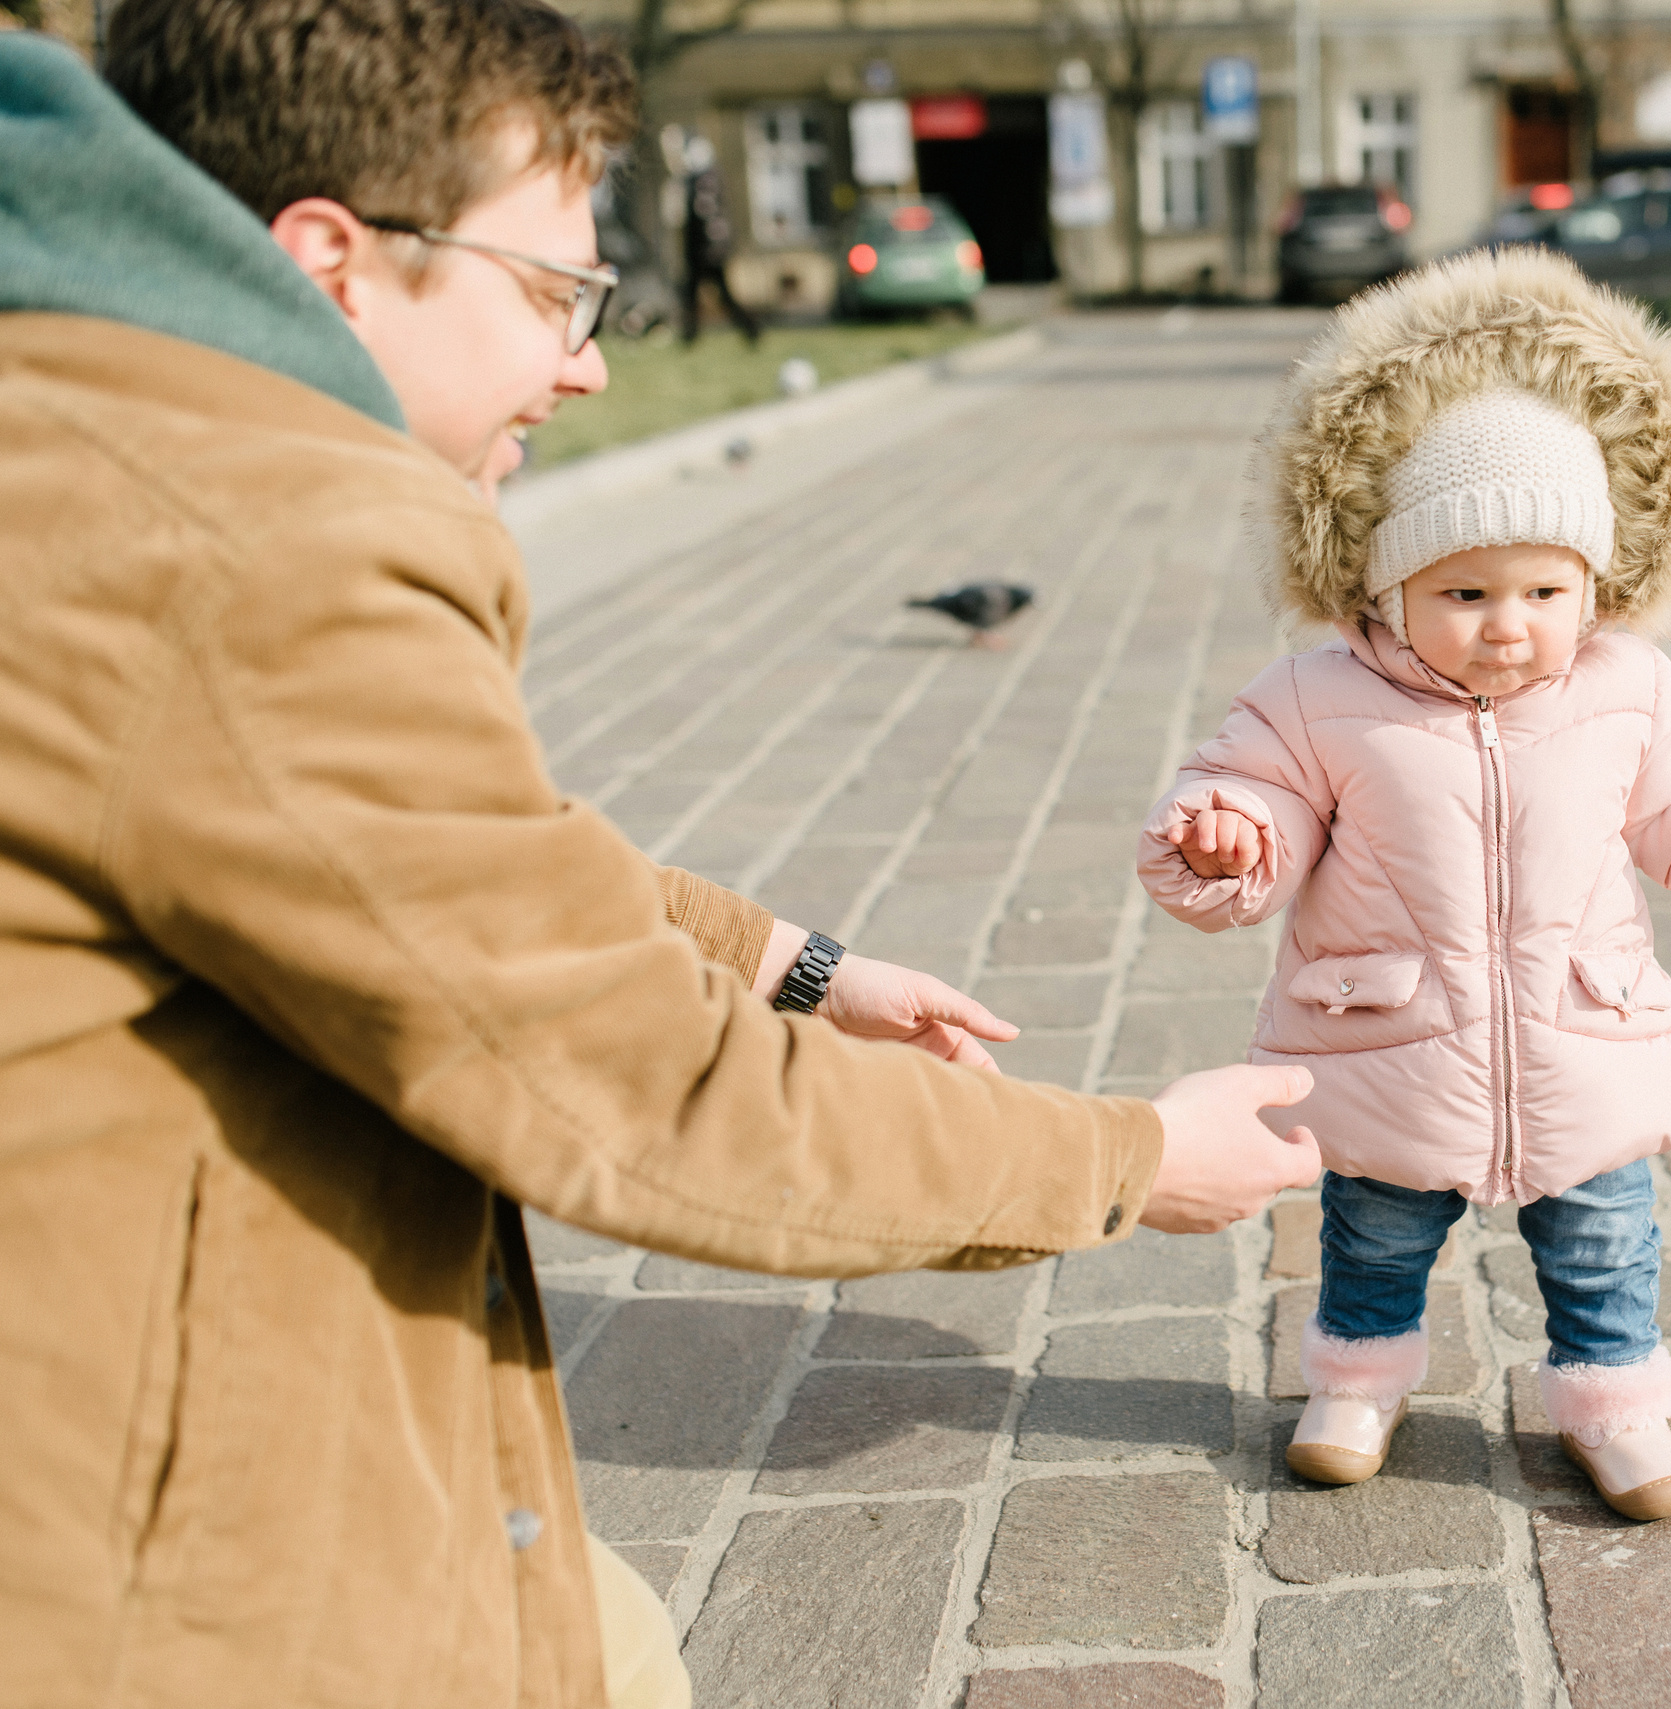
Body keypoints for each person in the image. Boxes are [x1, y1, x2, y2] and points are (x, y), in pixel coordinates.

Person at [0, 5, 1317, 1705]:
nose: (589, 361)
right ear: (333, 259)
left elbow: (449, 863)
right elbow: (644, 1086)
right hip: (131, 1558)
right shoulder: (258, 543)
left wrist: (797, 962)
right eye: (556, 292)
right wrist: (1125, 1155)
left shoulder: (98, 417)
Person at [1137, 249, 1671, 1523]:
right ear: (1389, 589)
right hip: (1386, 1039)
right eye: (1464, 592)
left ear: (1590, 585)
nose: (1506, 623)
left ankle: (1616, 1403)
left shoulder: (1624, 687)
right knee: (1370, 1234)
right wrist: (1230, 838)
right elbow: (1258, 793)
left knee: (1603, 1243)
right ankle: (1356, 1385)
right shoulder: (1319, 698)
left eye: (1543, 590)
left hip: (1577, 1036)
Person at [678, 133, 760, 347]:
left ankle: (750, 329)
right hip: (707, 250)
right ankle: (690, 335)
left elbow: (704, 214)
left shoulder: (705, 180)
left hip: (706, 251)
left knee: (714, 295)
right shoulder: (707, 178)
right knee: (694, 294)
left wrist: (705, 249)